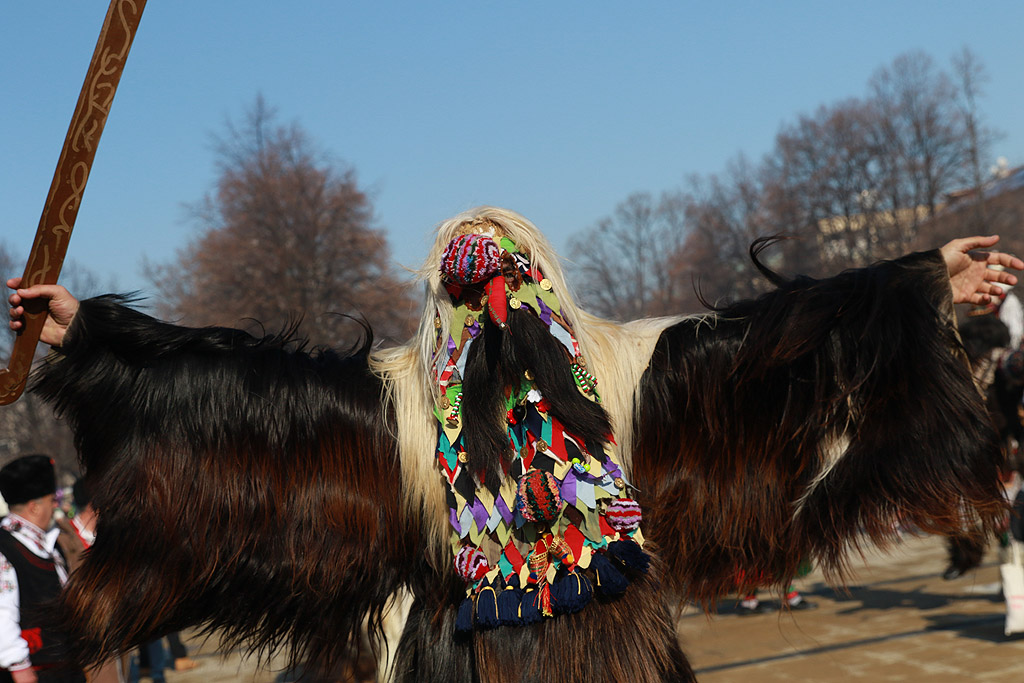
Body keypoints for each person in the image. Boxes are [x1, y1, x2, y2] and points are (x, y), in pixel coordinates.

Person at [6, 209, 1023, 682]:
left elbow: (231, 393)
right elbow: (780, 336)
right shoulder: (623, 369)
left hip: (478, 656)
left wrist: (95, 338)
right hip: (591, 656)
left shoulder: (397, 406)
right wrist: (922, 281)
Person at [0, 456, 83, 683]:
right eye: (51, 499)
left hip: (65, 669)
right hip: (33, 674)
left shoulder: (48, 543)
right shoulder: (5, 548)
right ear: (34, 507)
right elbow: (1, 615)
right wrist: (19, 668)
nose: (56, 504)